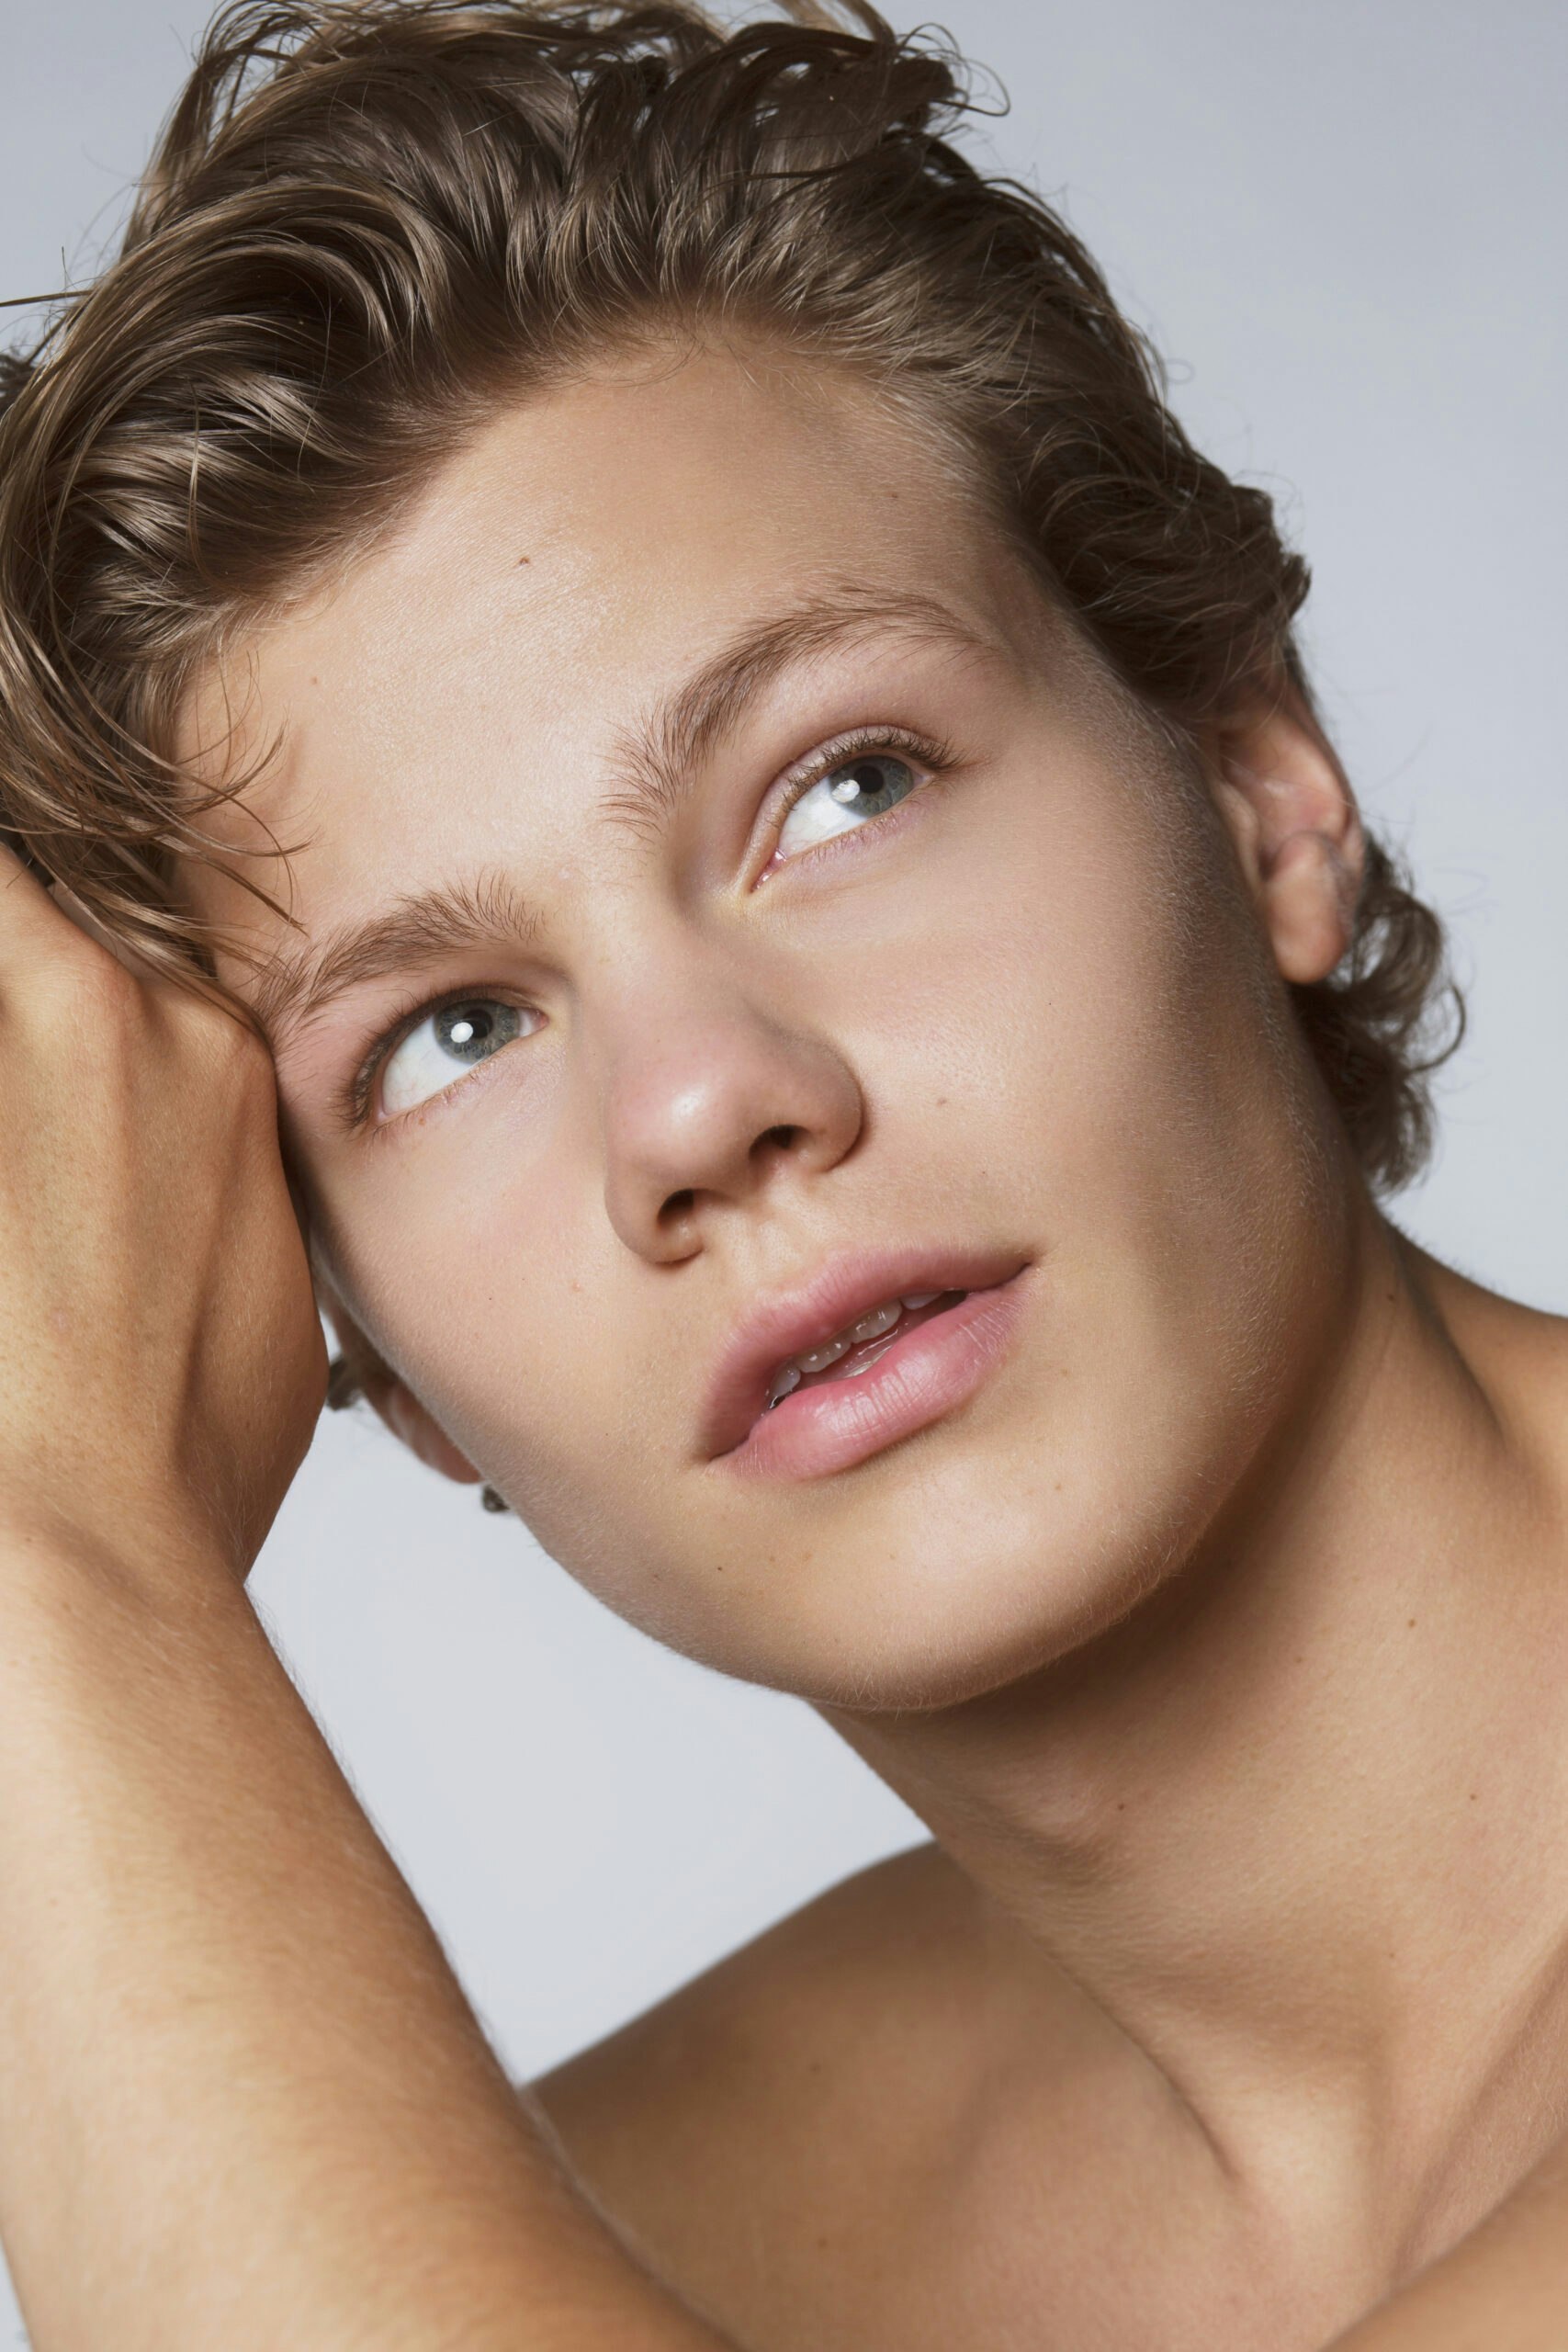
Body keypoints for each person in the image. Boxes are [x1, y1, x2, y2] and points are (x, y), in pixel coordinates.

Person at [0, 1, 1564, 2345]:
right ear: (379, 1364)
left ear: (1257, 791)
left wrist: (50, 1545)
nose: (696, 1104)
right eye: (448, 1033)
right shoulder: (575, 2226)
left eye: (844, 789)